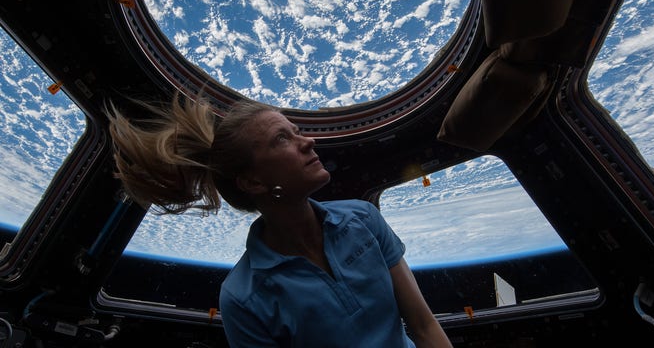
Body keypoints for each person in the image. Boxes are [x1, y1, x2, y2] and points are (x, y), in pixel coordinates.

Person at [105, 94, 453, 348]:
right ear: (253, 182)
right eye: (283, 138)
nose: (309, 141)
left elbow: (422, 326)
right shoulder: (244, 297)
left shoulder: (363, 217)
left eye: (296, 130)